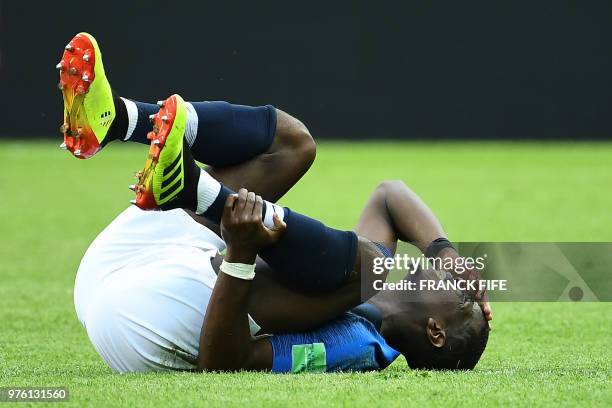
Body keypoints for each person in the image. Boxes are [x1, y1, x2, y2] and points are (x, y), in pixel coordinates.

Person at [62, 32, 490, 373]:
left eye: (465, 301)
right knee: (294, 145)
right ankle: (119, 119)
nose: (469, 285)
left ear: (435, 331)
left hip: (140, 320)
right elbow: (388, 196)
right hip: (124, 260)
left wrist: (241, 256)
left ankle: (194, 190)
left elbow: (228, 362)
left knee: (368, 269)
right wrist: (444, 251)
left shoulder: (359, 345)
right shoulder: (367, 273)